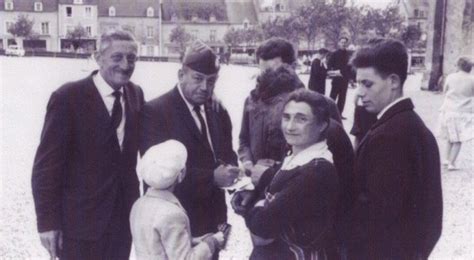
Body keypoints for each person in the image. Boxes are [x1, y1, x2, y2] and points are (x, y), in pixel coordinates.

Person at [31, 30, 144, 259]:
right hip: (78, 226)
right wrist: (47, 223)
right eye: (117, 57)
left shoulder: (135, 94)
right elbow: (46, 167)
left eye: (131, 58)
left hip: (122, 223)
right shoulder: (67, 97)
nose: (125, 65)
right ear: (98, 57)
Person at [347, 38, 442, 259]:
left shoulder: (390, 136)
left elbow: (376, 215)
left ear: (393, 81)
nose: (360, 93)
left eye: (367, 84)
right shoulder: (408, 124)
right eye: (358, 83)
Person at [139, 40, 239, 245]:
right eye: (198, 79)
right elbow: (157, 175)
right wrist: (212, 178)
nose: (205, 87)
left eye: (211, 81)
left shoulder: (218, 110)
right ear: (181, 75)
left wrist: (234, 172)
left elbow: (227, 152)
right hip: (174, 222)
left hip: (213, 219)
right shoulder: (155, 112)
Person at [233, 89, 340, 259]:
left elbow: (263, 226)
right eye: (286, 117)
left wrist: (252, 204)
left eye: (301, 119)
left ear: (322, 125)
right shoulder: (296, 158)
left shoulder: (317, 171)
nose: (290, 127)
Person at [238, 38, 342, 181]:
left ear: (292, 67)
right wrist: (247, 162)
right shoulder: (252, 101)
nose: (266, 78)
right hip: (256, 191)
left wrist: (272, 172)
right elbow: (244, 139)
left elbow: (332, 164)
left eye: (274, 72)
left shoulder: (323, 105)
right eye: (262, 73)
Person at [130, 140, 229, 260]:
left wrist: (196, 241)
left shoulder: (138, 205)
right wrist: (211, 242)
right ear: (181, 174)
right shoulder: (172, 213)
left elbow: (159, 242)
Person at [438, 56, 473, 170]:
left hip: (448, 110)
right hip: (463, 112)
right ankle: (451, 163)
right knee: (458, 139)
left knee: (450, 137)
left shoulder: (450, 77)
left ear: (458, 66)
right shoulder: (472, 79)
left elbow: (444, 91)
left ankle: (446, 159)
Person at [327, 37, 353, 119]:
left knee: (342, 98)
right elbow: (329, 65)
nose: (343, 44)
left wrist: (351, 78)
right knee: (332, 97)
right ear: (339, 43)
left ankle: (339, 115)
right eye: (342, 42)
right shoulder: (334, 54)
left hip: (345, 80)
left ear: (347, 44)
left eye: (345, 42)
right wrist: (334, 72)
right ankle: (329, 114)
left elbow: (350, 67)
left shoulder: (348, 54)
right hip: (336, 79)